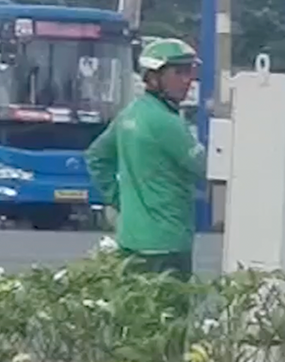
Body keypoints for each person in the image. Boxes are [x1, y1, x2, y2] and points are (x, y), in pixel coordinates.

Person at [85, 37, 207, 282]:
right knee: (171, 315)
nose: (188, 80)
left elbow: (96, 157)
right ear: (153, 76)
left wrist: (120, 199)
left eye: (190, 72)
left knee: (137, 315)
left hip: (130, 239)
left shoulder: (130, 113)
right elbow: (206, 167)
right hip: (167, 243)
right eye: (179, 72)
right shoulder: (167, 122)